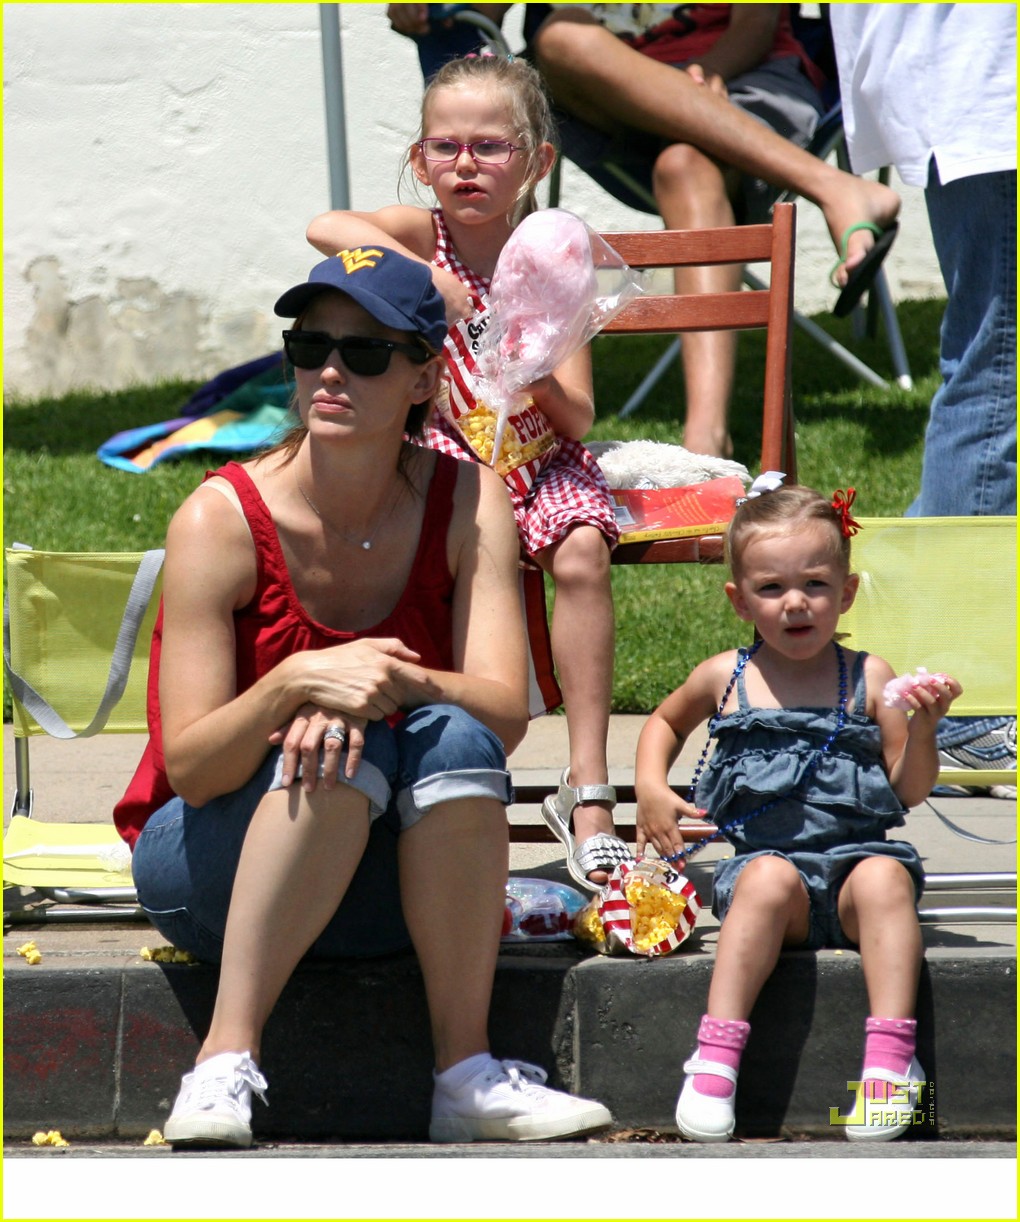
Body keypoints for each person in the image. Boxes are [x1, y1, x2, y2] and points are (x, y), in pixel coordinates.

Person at [115, 246, 614, 1147]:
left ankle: (464, 1075)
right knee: (342, 742)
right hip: (211, 876)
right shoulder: (219, 518)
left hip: (386, 883)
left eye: (367, 352)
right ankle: (223, 1060)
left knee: (445, 737)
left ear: (424, 376)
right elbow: (190, 769)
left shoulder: (469, 500)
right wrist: (294, 685)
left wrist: (394, 678)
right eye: (309, 348)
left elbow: (503, 711)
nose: (331, 371)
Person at [306, 54, 629, 892]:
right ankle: (432, 764)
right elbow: (326, 228)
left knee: (585, 550)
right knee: (435, 524)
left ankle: (589, 790)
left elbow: (580, 420)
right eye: (444, 147)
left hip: (539, 455)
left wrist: (535, 366)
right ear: (420, 161)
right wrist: (433, 281)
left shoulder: (556, 256)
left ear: (537, 160)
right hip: (447, 459)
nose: (465, 164)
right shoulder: (421, 236)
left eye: (490, 147)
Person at [634, 482, 961, 1142]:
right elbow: (664, 722)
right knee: (765, 878)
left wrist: (922, 731)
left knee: (884, 877)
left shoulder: (869, 678)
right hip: (771, 884)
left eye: (814, 584)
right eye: (771, 588)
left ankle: (893, 1061)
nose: (795, 604)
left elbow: (908, 789)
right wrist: (648, 786)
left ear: (846, 592)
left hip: (851, 879)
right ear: (739, 599)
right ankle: (716, 1057)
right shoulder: (724, 675)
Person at [528, 3, 901, 455]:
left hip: (745, 80)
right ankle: (834, 188)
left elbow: (756, 24)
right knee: (562, 36)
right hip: (617, 104)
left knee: (684, 164)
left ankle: (707, 439)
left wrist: (705, 75)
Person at [829, 4, 1016, 794]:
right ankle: (956, 697)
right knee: (995, 361)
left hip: (972, 87)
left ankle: (922, 646)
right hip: (986, 89)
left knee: (992, 357)